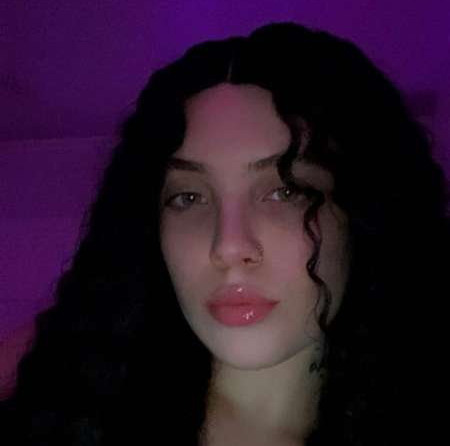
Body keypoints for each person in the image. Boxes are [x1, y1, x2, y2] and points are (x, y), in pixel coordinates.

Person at [0, 22, 447, 445]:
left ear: (364, 214)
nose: (228, 246)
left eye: (286, 191)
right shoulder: (59, 406)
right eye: (189, 197)